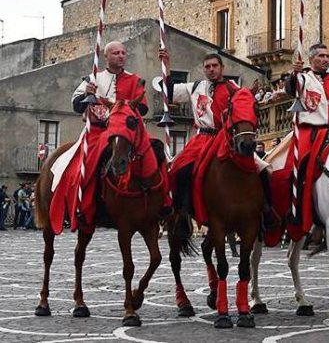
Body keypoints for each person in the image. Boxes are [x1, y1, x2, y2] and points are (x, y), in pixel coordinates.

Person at [51, 41, 163, 233]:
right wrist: (86, 94)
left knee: (157, 152)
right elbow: (76, 104)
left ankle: (162, 202)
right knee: (92, 162)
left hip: (127, 131)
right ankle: (86, 206)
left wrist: (123, 107)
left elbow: (142, 108)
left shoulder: (135, 80)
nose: (121, 56)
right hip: (98, 131)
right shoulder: (93, 79)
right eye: (116, 53)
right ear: (106, 57)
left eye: (123, 53)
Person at [160, 50, 277, 234]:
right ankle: (182, 212)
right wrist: (166, 66)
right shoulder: (195, 86)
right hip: (201, 138)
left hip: (226, 136)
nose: (211, 69)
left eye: (215, 66)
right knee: (181, 170)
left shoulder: (234, 89)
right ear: (203, 69)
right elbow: (169, 93)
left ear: (222, 67)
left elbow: (245, 107)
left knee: (261, 169)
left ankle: (267, 211)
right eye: (208, 67)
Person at [283, 43, 329, 229]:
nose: (326, 59)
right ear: (311, 60)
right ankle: (298, 207)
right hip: (310, 132)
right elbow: (291, 89)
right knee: (299, 167)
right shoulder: (303, 78)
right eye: (321, 56)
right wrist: (294, 74)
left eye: (328, 56)